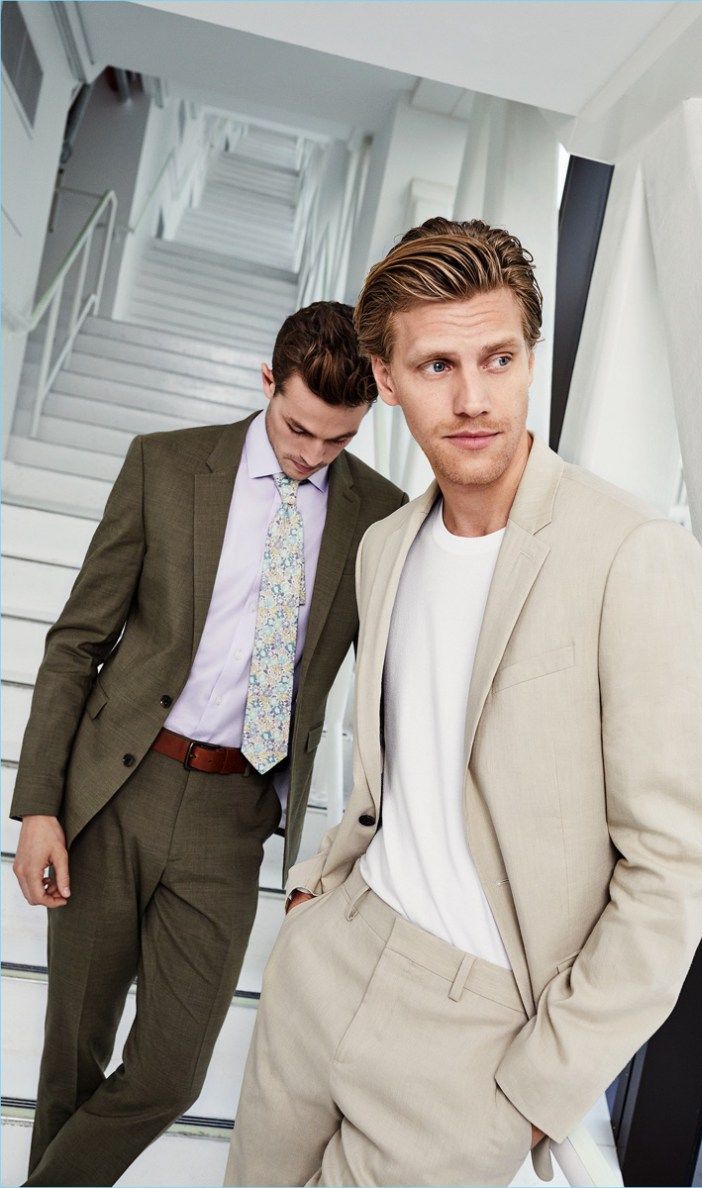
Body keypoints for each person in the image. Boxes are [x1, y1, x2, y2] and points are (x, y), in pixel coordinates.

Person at [224, 220, 702, 1188]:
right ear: (386, 380)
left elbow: (674, 865)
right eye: (437, 366)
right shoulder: (386, 547)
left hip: (475, 1039)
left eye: (498, 359)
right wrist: (320, 892)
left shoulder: (634, 556)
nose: (473, 399)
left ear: (531, 357)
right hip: (333, 958)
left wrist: (541, 1086)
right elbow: (394, 765)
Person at [10, 300, 407, 1186]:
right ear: (268, 380)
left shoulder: (382, 519)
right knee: (72, 1053)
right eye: (299, 427)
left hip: (236, 813)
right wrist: (38, 805)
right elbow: (77, 642)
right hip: (118, 790)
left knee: (171, 1072)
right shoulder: (165, 465)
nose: (311, 455)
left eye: (338, 440)